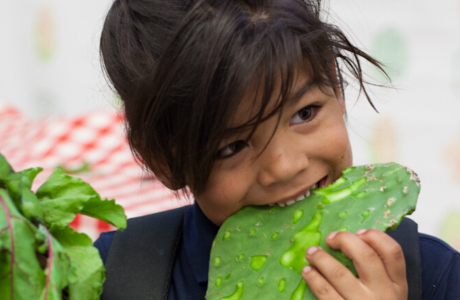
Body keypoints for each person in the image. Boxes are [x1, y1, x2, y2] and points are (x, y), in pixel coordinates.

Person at [94, 0, 460, 299]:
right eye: (232, 146)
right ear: (164, 160)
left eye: (305, 113)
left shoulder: (436, 277)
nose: (284, 166)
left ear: (335, 85)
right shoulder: (108, 278)